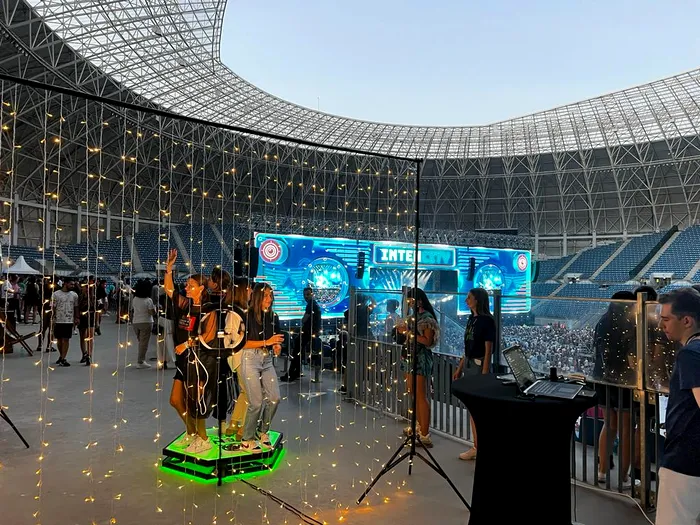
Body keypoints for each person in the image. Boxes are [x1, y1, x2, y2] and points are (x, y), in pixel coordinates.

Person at [164, 248, 216, 453]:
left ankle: (203, 438)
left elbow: (208, 337)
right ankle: (192, 432)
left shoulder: (209, 309)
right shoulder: (185, 305)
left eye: (191, 285)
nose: (186, 287)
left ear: (201, 288)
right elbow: (170, 290)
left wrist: (187, 343)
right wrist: (169, 269)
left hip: (199, 361)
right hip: (183, 361)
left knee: (196, 401)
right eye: (186, 284)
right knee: (176, 400)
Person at [655, 287, 700, 524]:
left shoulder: (690, 354)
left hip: (685, 463)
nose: (661, 325)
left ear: (687, 321)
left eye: (666, 319)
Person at [592, 290, 637, 487]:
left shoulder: (603, 321)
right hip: (623, 381)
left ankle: (602, 471)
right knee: (626, 429)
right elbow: (632, 360)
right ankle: (623, 477)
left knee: (609, 424)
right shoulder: (630, 324)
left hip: (602, 379)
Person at [238, 282, 284, 453]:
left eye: (271, 295)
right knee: (256, 403)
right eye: (265, 296)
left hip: (267, 360)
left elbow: (275, 339)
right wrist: (267, 342)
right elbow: (242, 344)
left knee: (274, 398)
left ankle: (262, 431)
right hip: (250, 359)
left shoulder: (273, 316)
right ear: (257, 297)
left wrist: (276, 346)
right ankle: (246, 440)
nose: (269, 299)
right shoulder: (246, 315)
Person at [453, 287, 496, 460]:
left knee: (477, 409)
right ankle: (476, 445)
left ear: (477, 300)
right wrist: (460, 367)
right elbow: (467, 348)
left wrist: (484, 374)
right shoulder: (471, 319)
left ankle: (478, 447)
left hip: (478, 366)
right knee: (473, 409)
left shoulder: (487, 321)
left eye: (469, 297)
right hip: (469, 365)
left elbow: (488, 350)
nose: (466, 300)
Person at [398, 287, 440, 448]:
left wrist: (409, 333)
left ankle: (425, 433)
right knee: (413, 392)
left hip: (420, 358)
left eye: (411, 300)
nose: (409, 303)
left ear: (419, 301)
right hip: (409, 356)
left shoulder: (427, 318)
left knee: (420, 395)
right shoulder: (413, 317)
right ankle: (418, 425)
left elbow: (427, 341)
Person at [224, 277, 251, 439]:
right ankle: (243, 428)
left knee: (245, 391)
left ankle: (234, 423)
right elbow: (230, 337)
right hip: (240, 356)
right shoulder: (234, 312)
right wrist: (245, 338)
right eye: (248, 288)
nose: (251, 291)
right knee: (250, 392)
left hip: (242, 356)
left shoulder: (238, 311)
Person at [282, 286, 322, 382]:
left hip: (308, 332)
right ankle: (296, 372)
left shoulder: (311, 305)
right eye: (304, 295)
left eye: (307, 294)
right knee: (298, 351)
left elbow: (304, 319)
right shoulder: (314, 304)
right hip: (311, 332)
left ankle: (292, 374)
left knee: (296, 351)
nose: (306, 297)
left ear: (312, 294)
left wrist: (302, 322)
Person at [51, 277, 80, 367]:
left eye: (73, 284)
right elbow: (53, 307)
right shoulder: (56, 294)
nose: (72, 286)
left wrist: (76, 317)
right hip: (58, 319)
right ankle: (61, 355)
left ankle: (63, 358)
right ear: (65, 283)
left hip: (69, 320)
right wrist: (52, 317)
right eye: (71, 284)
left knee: (66, 339)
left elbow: (76, 307)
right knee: (59, 339)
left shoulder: (74, 295)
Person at [131, 279, 156, 369]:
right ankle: (140, 361)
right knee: (144, 343)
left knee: (141, 342)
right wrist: (155, 309)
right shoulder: (148, 300)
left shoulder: (135, 299)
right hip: (146, 322)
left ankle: (141, 359)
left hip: (136, 322)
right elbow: (152, 312)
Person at [78, 276, 101, 367]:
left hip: (90, 316)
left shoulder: (94, 297)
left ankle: (89, 355)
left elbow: (97, 310)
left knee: (89, 337)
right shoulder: (80, 296)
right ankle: (84, 353)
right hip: (82, 316)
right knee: (83, 336)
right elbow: (77, 307)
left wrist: (97, 321)